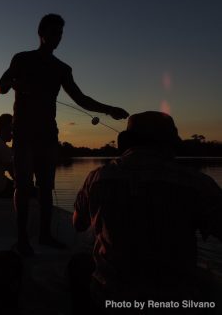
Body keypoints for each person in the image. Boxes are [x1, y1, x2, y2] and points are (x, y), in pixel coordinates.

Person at [0, 13, 129, 256]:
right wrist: (8, 84)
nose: (58, 38)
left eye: (60, 34)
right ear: (42, 34)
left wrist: (109, 110)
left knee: (45, 187)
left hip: (47, 134)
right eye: (54, 33)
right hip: (23, 133)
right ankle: (23, 239)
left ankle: (45, 235)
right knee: (23, 186)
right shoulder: (21, 59)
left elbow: (81, 99)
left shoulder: (62, 69)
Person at [71, 111, 222, 313]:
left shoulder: (96, 178)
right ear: (170, 144)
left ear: (126, 142)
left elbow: (78, 224)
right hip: (175, 300)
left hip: (111, 298)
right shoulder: (198, 183)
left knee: (78, 266)